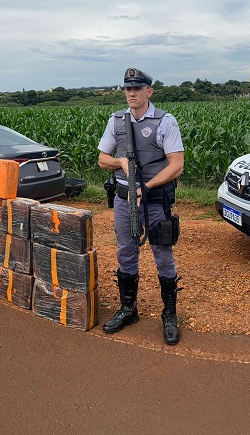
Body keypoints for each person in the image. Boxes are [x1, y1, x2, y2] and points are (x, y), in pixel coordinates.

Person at [98, 67, 185, 345]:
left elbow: (177, 166)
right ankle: (128, 309)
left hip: (155, 200)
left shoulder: (165, 122)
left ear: (149, 91)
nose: (131, 93)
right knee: (125, 251)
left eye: (137, 88)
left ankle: (169, 315)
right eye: (127, 89)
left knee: (163, 254)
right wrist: (121, 162)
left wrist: (144, 187)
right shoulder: (116, 121)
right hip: (124, 200)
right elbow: (102, 159)